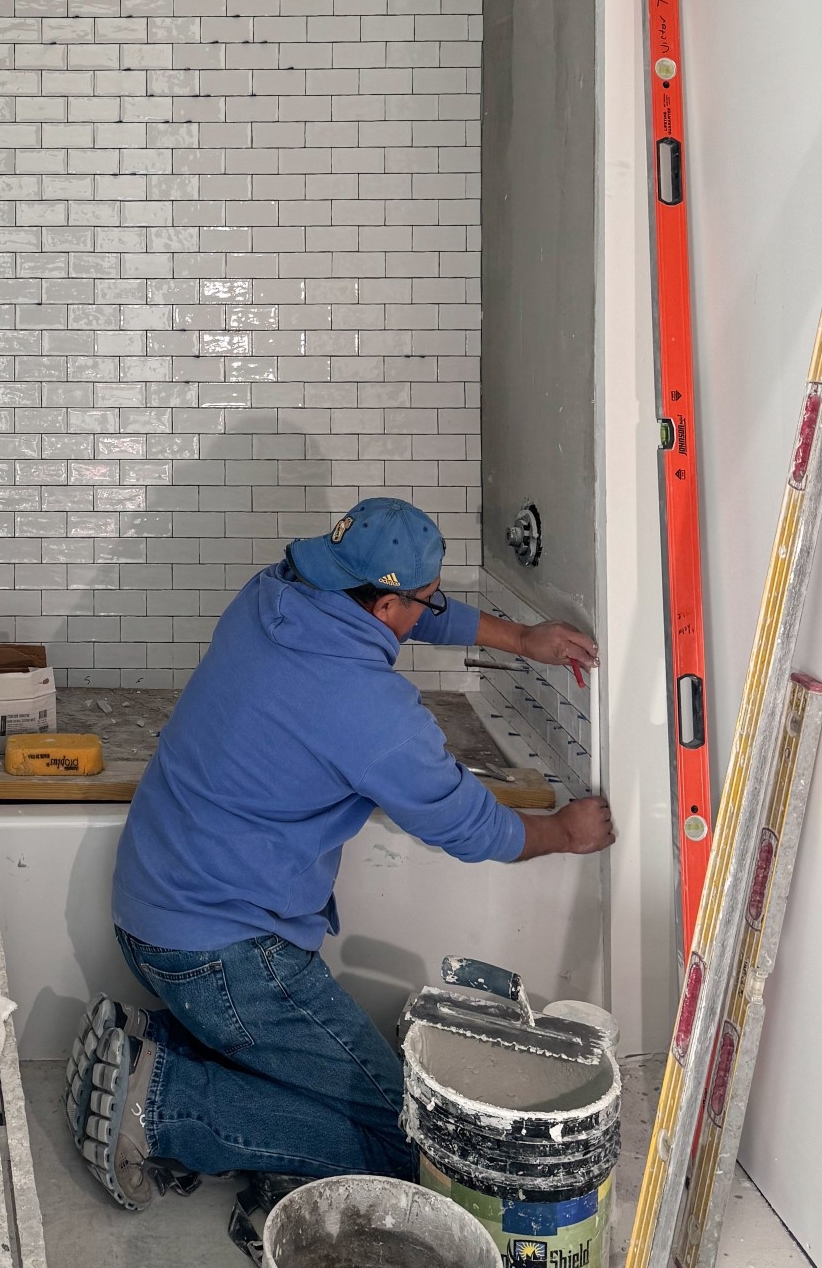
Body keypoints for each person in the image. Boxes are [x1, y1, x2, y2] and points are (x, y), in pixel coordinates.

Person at [65, 495, 615, 1213]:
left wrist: (521, 639)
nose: (429, 611)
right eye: (424, 599)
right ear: (386, 606)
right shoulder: (366, 707)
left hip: (152, 911)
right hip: (224, 959)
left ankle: (156, 1045)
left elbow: (409, 612)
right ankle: (165, 1105)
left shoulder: (273, 595)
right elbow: (470, 826)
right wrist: (564, 833)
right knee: (410, 1142)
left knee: (349, 1100)